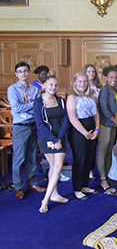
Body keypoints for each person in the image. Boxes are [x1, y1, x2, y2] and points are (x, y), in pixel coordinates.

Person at [8, 61, 45, 200]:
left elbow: (37, 108)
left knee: (31, 157)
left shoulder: (34, 89)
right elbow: (15, 108)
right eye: (20, 71)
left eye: (25, 71)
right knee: (18, 158)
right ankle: (18, 187)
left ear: (29, 72)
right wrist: (31, 105)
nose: (23, 73)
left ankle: (32, 183)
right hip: (20, 127)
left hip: (32, 125)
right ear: (16, 74)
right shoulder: (12, 89)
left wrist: (29, 107)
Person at [33, 73, 70, 213]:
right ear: (45, 86)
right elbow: (40, 124)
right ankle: (50, 196)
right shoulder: (38, 102)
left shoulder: (60, 100)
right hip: (45, 139)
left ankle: (47, 198)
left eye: (55, 85)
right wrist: (53, 140)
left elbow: (65, 120)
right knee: (55, 166)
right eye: (50, 85)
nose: (53, 87)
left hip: (59, 138)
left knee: (57, 167)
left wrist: (59, 139)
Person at [66, 72, 99, 200]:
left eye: (85, 81)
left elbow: (96, 114)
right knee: (80, 159)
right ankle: (77, 188)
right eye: (80, 81)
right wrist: (85, 132)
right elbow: (72, 118)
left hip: (92, 129)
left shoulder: (90, 95)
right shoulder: (72, 97)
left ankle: (85, 185)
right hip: (78, 132)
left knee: (89, 158)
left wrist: (96, 129)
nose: (82, 84)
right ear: (75, 82)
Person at [97, 66, 117, 191]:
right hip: (105, 125)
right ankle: (102, 178)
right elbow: (103, 109)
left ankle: (107, 174)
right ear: (106, 78)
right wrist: (114, 119)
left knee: (109, 151)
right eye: (111, 77)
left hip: (112, 125)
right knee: (102, 152)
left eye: (116, 77)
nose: (114, 79)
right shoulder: (104, 91)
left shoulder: (114, 90)